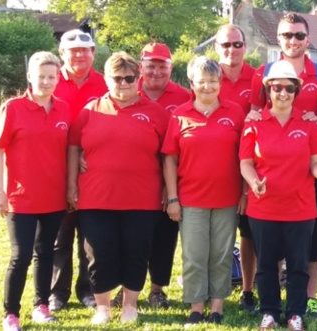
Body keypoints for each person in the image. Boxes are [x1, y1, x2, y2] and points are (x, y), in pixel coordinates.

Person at [67, 52, 169, 324]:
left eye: (129, 78)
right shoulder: (90, 111)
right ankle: (103, 307)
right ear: (107, 79)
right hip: (96, 197)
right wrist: (71, 184)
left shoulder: (156, 113)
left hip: (142, 199)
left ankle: (130, 306)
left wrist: (169, 191)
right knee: (99, 253)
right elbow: (74, 146)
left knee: (136, 252)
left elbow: (168, 154)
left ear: (139, 79)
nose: (123, 83)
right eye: (117, 78)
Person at [241, 60, 317, 331]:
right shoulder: (254, 123)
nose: (282, 93)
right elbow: (246, 163)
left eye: (289, 87)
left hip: (301, 207)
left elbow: (315, 163)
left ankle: (296, 314)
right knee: (266, 267)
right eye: (276, 87)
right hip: (263, 207)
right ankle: (270, 312)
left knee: (298, 266)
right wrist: (253, 182)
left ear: (296, 90)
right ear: (268, 90)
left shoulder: (309, 125)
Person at [162, 56, 245, 327]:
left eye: (212, 81)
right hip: (191, 199)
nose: (207, 87)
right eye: (201, 82)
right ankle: (196, 305)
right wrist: (172, 198)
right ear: (191, 83)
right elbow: (170, 159)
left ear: (220, 83)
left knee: (221, 254)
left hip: (226, 198)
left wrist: (244, 194)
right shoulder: (180, 115)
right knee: (195, 255)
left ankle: (218, 305)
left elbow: (246, 157)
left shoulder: (235, 113)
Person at [109, 42, 191, 309]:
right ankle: (127, 287)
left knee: (164, 238)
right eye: (151, 65)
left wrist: (173, 187)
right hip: (132, 181)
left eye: (162, 66)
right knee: (129, 237)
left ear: (171, 68)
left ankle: (157, 289)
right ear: (141, 66)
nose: (156, 71)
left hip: (170, 180)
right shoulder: (124, 89)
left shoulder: (183, 97)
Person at [0, 52, 69, 331]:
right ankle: (10, 314)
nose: (46, 81)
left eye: (51, 76)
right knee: (20, 255)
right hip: (20, 197)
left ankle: (41, 305)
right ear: (29, 77)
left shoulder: (63, 109)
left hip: (53, 196)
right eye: (41, 76)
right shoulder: (13, 107)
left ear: (58, 78)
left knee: (45, 253)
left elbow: (69, 148)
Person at [50, 29, 108, 311]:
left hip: (93, 171)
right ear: (63, 54)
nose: (79, 55)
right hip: (56, 170)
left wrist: (86, 151)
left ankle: (87, 290)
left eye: (85, 50)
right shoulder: (51, 81)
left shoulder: (104, 83)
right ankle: (57, 293)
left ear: (93, 53)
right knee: (60, 237)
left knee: (90, 238)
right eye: (73, 51)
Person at [213, 24, 259, 313]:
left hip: (249, 168)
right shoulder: (206, 76)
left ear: (246, 45)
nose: (232, 50)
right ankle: (208, 287)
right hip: (212, 170)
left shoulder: (259, 78)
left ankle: (248, 290)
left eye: (237, 44)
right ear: (217, 47)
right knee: (211, 234)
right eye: (226, 45)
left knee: (250, 234)